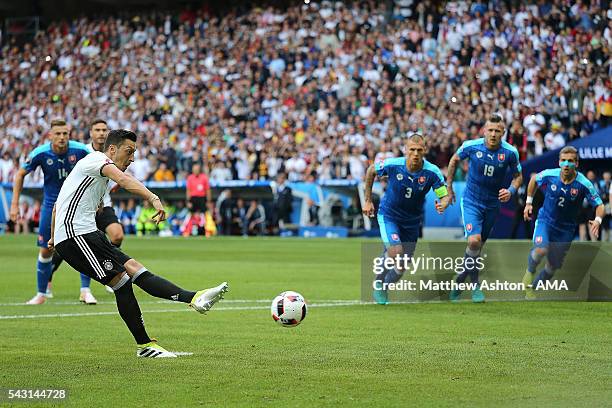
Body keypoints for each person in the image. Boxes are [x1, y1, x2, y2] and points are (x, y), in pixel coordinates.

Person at [49, 129, 228, 358]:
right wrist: (153, 197)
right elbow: (123, 180)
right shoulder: (96, 159)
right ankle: (144, 346)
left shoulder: (97, 177)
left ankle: (193, 297)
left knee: (133, 268)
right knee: (121, 283)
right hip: (77, 236)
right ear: (111, 150)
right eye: (129, 151)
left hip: (84, 235)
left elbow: (57, 207)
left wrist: (54, 236)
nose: (132, 158)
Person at [10, 119, 96, 305]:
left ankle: (85, 291)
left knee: (84, 246)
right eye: (58, 134)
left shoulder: (81, 150)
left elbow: (101, 166)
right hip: (51, 206)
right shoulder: (40, 153)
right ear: (50, 135)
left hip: (77, 206)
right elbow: (20, 174)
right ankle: (41, 294)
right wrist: (15, 204)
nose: (62, 137)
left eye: (65, 133)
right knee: (46, 250)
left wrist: (96, 198)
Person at [363, 133, 450, 305]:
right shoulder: (394, 165)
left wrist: (444, 203)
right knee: (396, 253)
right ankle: (378, 283)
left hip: (411, 222)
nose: (415, 153)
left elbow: (444, 195)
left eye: (419, 150)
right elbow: (371, 170)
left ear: (424, 150)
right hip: (389, 215)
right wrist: (367, 200)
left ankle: (385, 286)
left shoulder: (432, 172)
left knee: (401, 266)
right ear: (405, 150)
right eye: (412, 150)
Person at [446, 114, 523, 303]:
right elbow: (454, 160)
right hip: (471, 201)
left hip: (492, 205)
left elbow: (518, 176)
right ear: (484, 131)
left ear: (503, 133)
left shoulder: (510, 152)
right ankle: (475, 286)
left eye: (498, 131)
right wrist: (448, 188)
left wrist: (511, 190)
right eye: (490, 130)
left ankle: (460, 279)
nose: (494, 134)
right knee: (474, 241)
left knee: (477, 247)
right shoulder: (471, 146)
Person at [49, 119, 123, 295]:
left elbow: (118, 178)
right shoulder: (83, 152)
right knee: (67, 244)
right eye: (97, 129)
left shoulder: (114, 153)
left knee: (117, 235)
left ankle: (110, 271)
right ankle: (49, 274)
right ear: (91, 132)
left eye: (104, 129)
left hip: (103, 204)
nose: (101, 133)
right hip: (79, 207)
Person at [522, 146, 604, 298]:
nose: (567, 164)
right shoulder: (550, 175)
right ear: (559, 162)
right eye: (564, 160)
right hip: (545, 221)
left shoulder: (583, 184)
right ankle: (530, 271)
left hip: (565, 230)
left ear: (576, 164)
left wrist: (598, 220)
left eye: (571, 161)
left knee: (552, 268)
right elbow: (534, 180)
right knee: (541, 250)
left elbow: (599, 205)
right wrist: (528, 203)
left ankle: (532, 288)